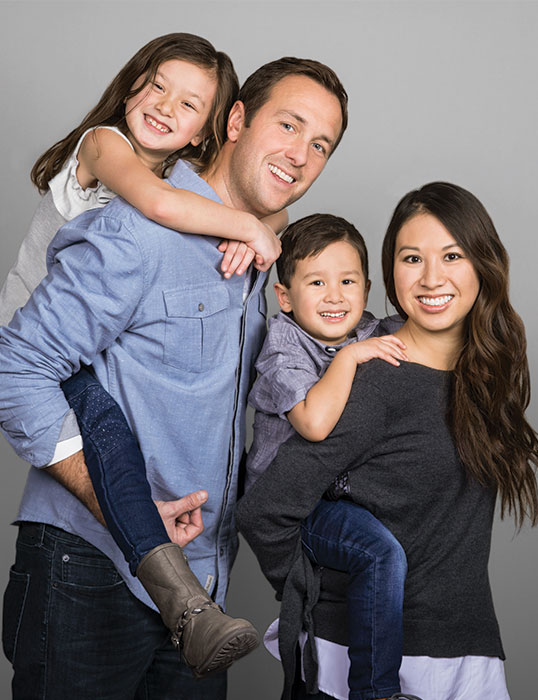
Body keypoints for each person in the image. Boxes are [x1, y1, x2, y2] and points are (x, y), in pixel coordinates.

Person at [0, 56, 348, 699]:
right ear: (236, 120)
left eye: (320, 144)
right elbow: (14, 365)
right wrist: (114, 506)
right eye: (289, 125)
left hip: (203, 587)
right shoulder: (141, 230)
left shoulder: (260, 264)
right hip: (90, 570)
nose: (300, 154)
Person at [236, 182, 538, 700]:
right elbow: (266, 510)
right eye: (412, 257)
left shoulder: (485, 377)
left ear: (483, 265)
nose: (431, 277)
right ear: (392, 273)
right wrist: (314, 597)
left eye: (451, 255)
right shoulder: (374, 376)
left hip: (467, 651)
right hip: (366, 663)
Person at [245, 212, 410, 700]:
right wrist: (349, 358)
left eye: (348, 281)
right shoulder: (282, 347)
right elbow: (314, 424)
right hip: (297, 506)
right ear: (286, 297)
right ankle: (377, 692)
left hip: (346, 492)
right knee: (381, 554)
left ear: (366, 287)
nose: (335, 296)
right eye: (317, 282)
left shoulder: (373, 328)